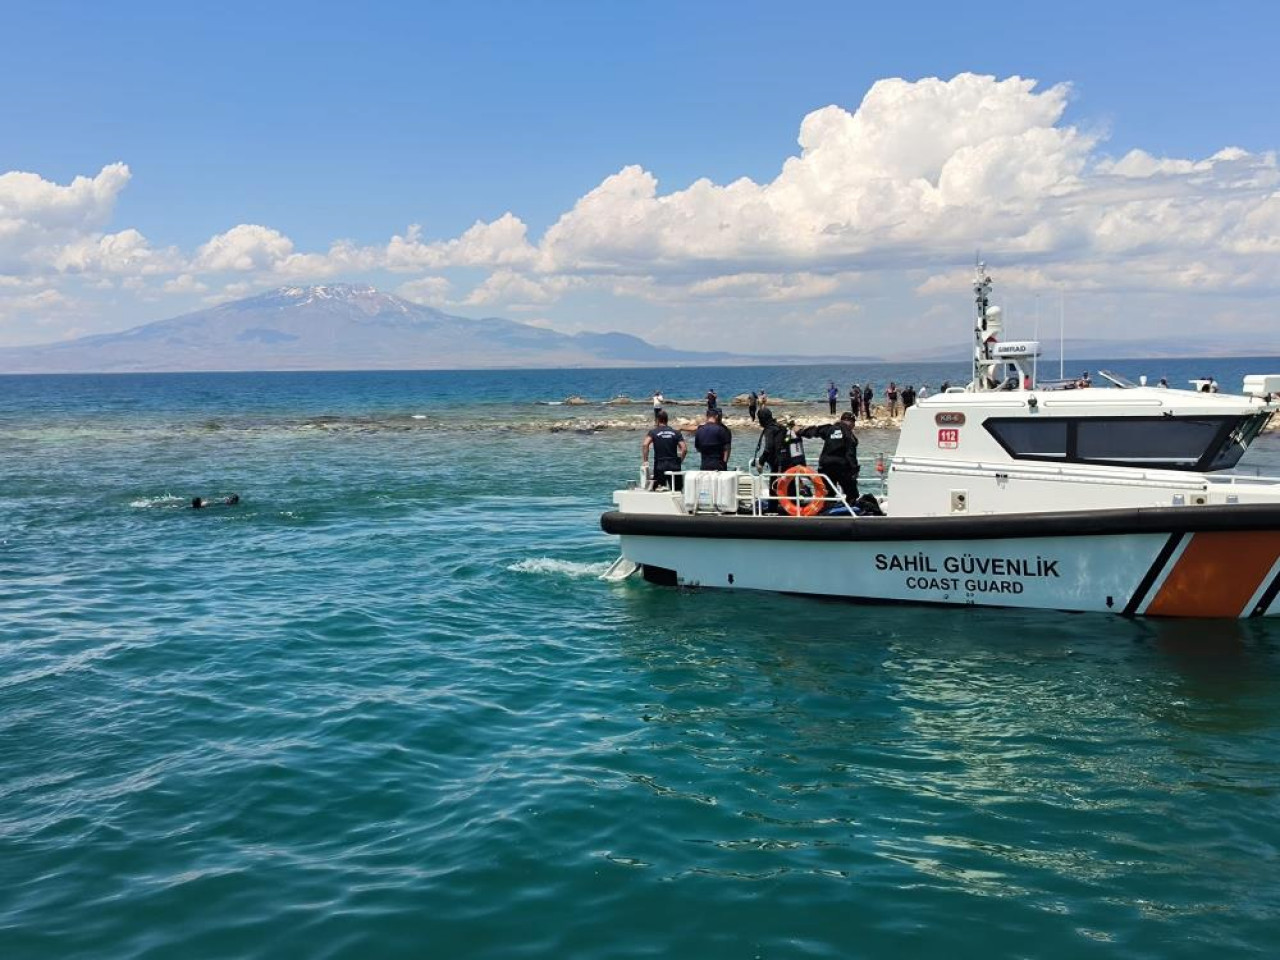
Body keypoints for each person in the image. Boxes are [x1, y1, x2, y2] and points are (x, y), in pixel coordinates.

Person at [800, 411, 859, 500]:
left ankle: (827, 510)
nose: (853, 425)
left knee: (828, 492)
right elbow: (851, 454)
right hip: (841, 467)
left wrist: (801, 432)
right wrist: (854, 470)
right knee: (852, 493)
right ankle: (850, 509)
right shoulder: (849, 435)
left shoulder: (829, 428)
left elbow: (815, 431)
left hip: (825, 465)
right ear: (850, 422)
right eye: (853, 422)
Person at [643, 411, 686, 491]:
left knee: (658, 491)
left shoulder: (653, 432)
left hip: (660, 466)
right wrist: (680, 461)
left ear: (657, 420)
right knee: (677, 491)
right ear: (667, 420)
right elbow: (684, 448)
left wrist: (645, 461)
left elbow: (645, 444)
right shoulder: (676, 432)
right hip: (674, 465)